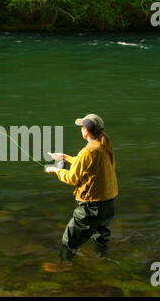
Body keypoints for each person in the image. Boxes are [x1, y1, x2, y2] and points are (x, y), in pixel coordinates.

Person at [44, 113, 118, 268]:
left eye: (82, 127)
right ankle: (102, 262)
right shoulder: (104, 145)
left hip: (92, 206)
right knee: (101, 237)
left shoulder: (88, 151)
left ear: (87, 131)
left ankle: (64, 266)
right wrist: (65, 157)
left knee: (69, 238)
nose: (81, 129)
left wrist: (56, 171)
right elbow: (87, 164)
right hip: (109, 202)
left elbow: (72, 178)